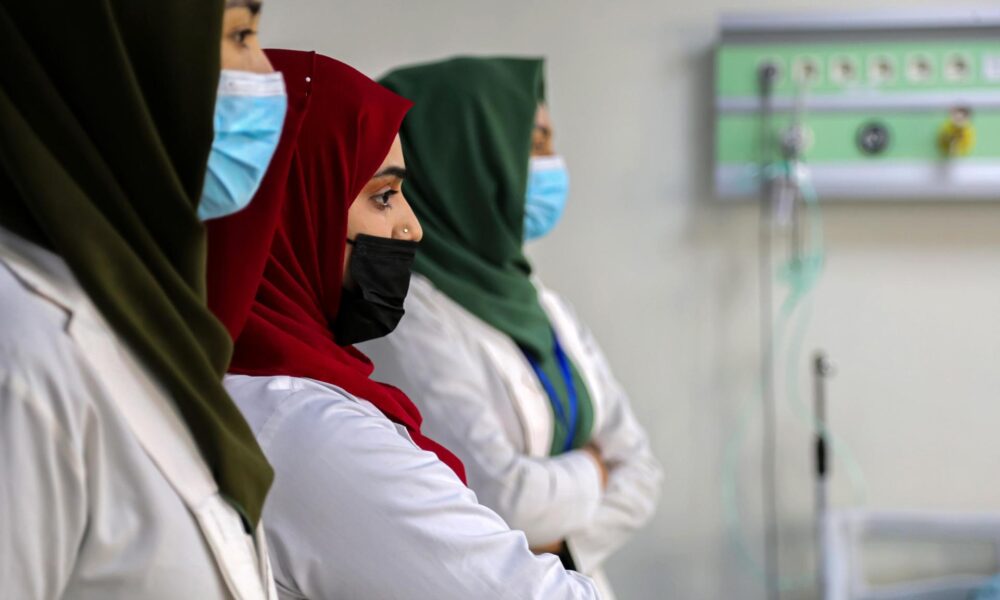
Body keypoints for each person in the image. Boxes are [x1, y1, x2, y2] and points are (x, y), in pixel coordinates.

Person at [208, 49, 601, 599]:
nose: (411, 228)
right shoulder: (314, 432)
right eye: (384, 196)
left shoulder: (246, 392)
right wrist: (592, 477)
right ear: (298, 206)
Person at [0, 1, 287, 597]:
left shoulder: (151, 318)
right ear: (109, 64)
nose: (265, 72)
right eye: (239, 34)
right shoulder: (20, 346)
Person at [362, 56, 663, 599]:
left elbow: (642, 473)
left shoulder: (539, 302)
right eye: (535, 142)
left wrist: (565, 550)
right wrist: (595, 469)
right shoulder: (404, 315)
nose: (551, 165)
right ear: (472, 159)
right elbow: (501, 498)